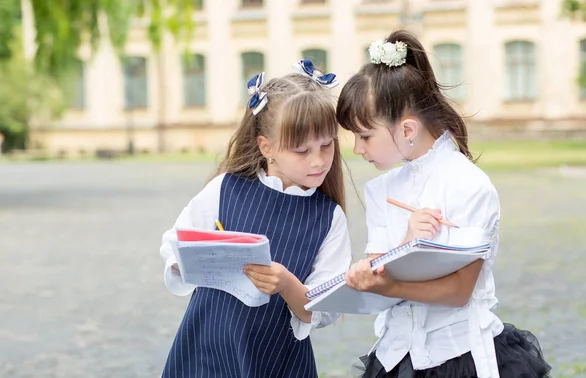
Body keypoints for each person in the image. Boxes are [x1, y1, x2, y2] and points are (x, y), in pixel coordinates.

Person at [336, 30, 552, 378]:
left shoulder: (470, 185)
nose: (358, 150)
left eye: (364, 136)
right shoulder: (381, 189)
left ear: (407, 129)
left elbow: (459, 291)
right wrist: (400, 250)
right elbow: (378, 278)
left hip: (460, 357)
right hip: (395, 358)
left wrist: (391, 281)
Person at [160, 60, 352, 378]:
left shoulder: (328, 218)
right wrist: (191, 260)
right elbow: (175, 245)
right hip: (204, 353)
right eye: (302, 151)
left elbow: (326, 305)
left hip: (278, 361)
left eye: (327, 145)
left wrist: (287, 284)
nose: (319, 161)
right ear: (267, 147)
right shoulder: (226, 188)